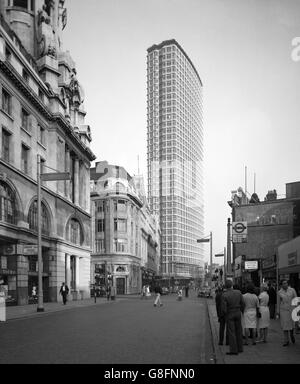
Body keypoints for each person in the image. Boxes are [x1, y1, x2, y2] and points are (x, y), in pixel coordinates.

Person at [221, 279, 244, 355]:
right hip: (238, 312)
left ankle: (233, 350)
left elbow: (223, 308)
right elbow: (243, 303)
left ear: (225, 286)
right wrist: (241, 311)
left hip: (230, 313)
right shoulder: (238, 292)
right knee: (239, 331)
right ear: (232, 285)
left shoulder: (224, 295)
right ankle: (240, 348)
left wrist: (225, 314)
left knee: (231, 332)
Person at [277, 280, 297, 346]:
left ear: (287, 284)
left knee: (291, 325)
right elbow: (278, 303)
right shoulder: (279, 292)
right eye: (283, 283)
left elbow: (296, 299)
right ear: (281, 285)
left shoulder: (292, 290)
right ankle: (286, 340)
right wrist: (278, 312)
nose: (285, 284)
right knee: (285, 326)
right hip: (284, 311)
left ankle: (292, 335)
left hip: (292, 310)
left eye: (286, 283)